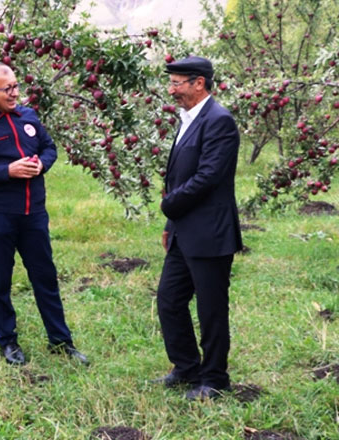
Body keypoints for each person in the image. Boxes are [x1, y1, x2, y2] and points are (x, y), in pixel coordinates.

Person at [0, 63, 88, 366]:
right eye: (8, 89)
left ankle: (61, 341)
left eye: (16, 86)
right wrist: (7, 171)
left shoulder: (28, 117)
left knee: (45, 277)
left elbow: (49, 147)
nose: (15, 93)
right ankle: (8, 341)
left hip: (33, 214)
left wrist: (42, 164)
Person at [149, 56, 243, 400]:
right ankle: (187, 368)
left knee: (211, 308)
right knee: (169, 301)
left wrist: (169, 205)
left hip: (210, 232)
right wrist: (171, 223)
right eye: (171, 83)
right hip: (183, 231)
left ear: (198, 82)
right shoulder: (187, 119)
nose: (172, 90)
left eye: (177, 83)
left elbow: (207, 177)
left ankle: (215, 378)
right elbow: (180, 176)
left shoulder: (219, 121)